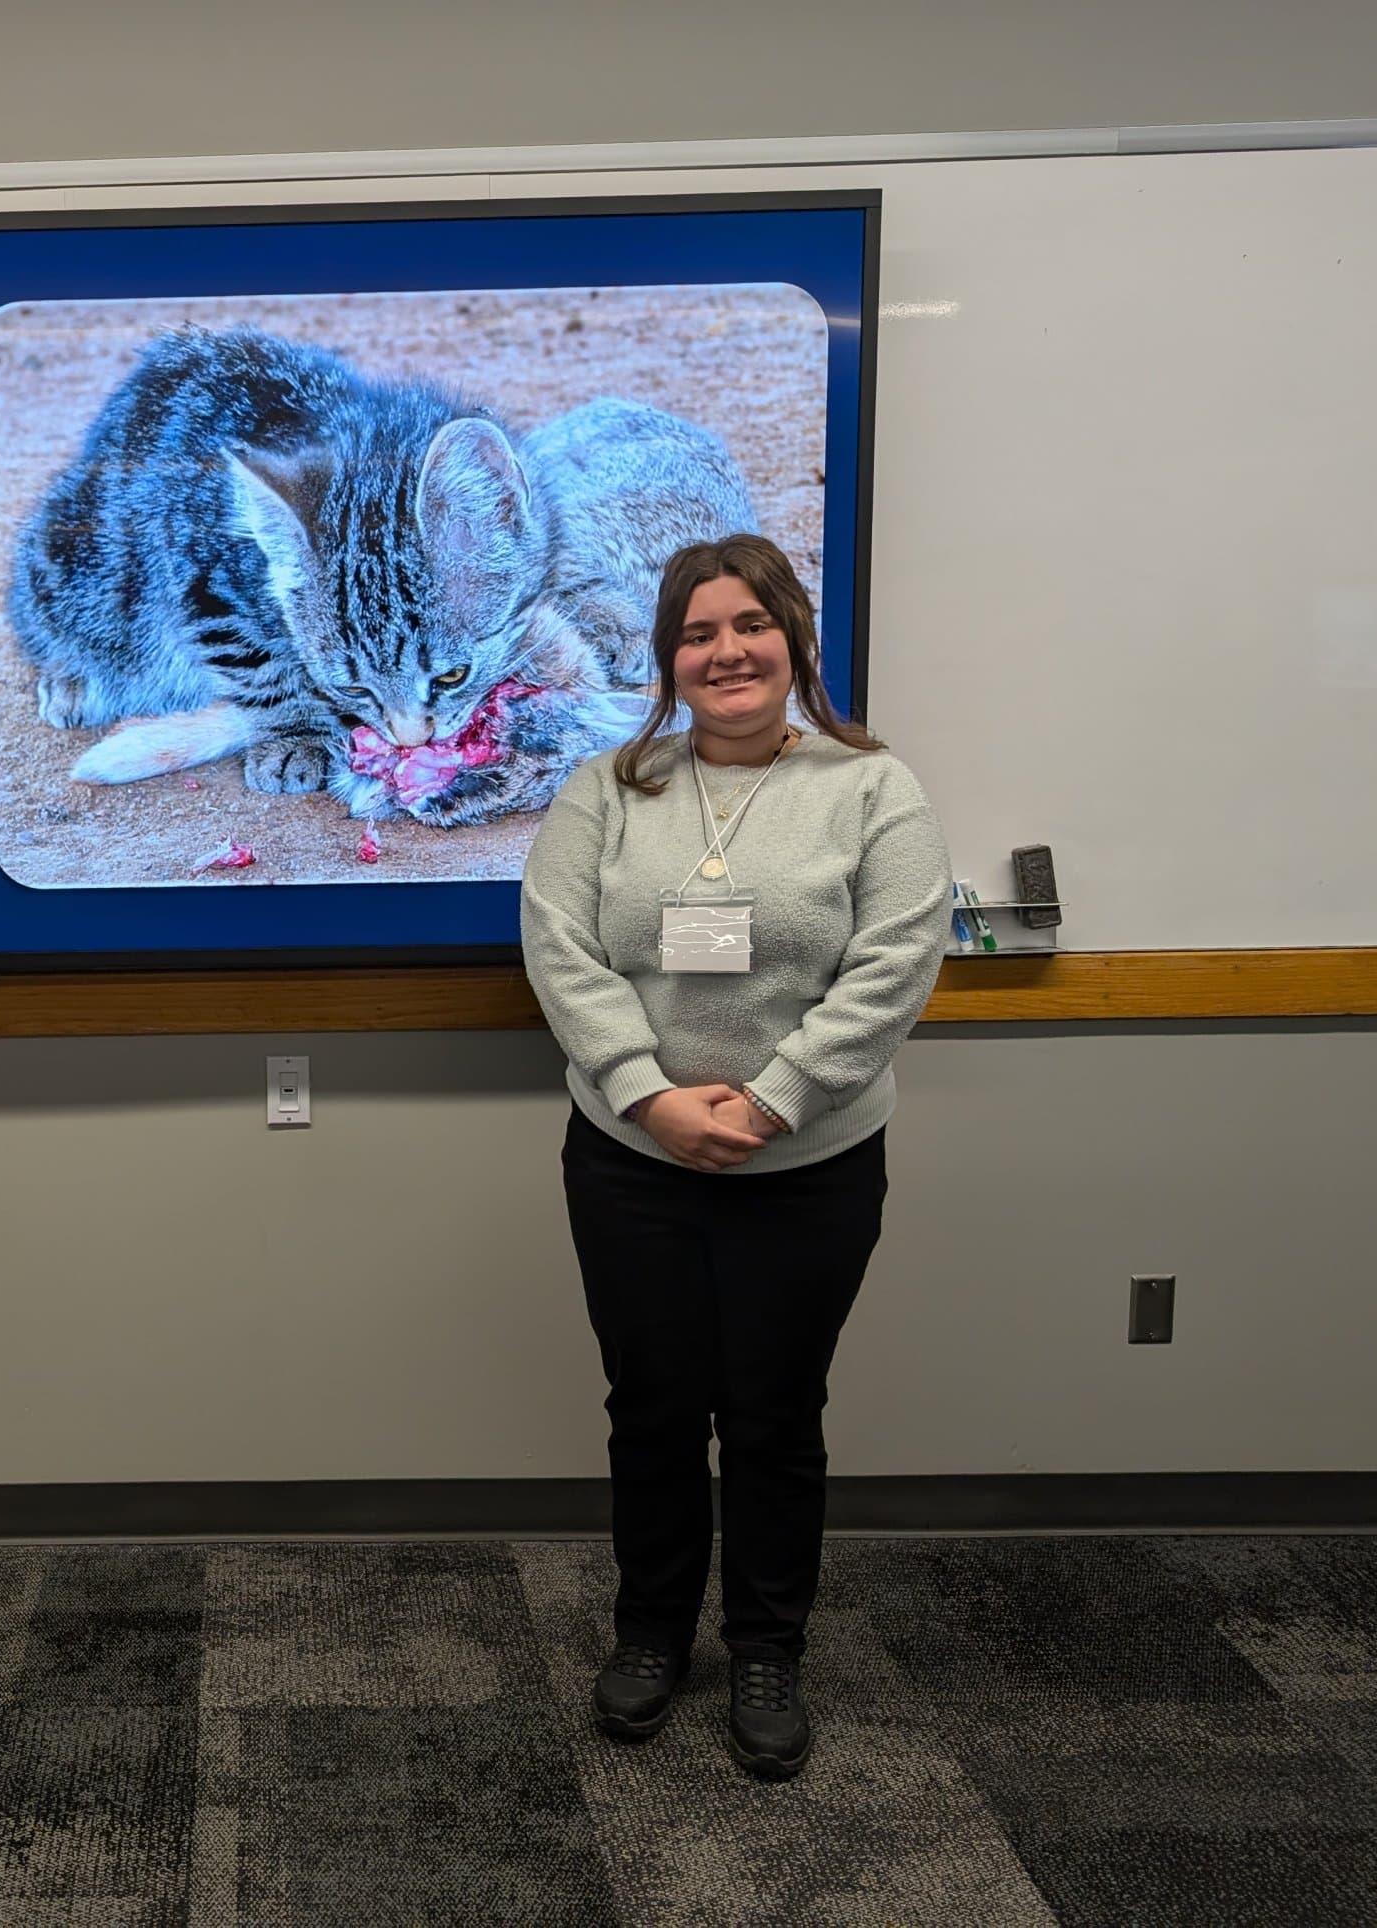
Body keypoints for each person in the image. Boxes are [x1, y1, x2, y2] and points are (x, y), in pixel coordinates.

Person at [518, 532, 951, 1780]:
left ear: (794, 641)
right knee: (650, 1411)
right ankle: (650, 1633)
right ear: (667, 659)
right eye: (697, 633)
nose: (726, 652)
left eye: (748, 626)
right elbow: (559, 950)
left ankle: (767, 1645)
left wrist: (768, 1104)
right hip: (628, 1162)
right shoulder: (609, 787)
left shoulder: (872, 789)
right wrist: (651, 1097)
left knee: (772, 1415)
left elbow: (894, 965)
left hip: (809, 1170)